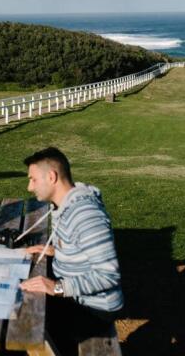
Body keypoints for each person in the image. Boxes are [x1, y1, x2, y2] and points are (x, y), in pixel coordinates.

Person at [19, 147, 123, 352]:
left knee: (27, 323)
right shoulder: (66, 204)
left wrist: (57, 288)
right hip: (78, 298)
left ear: (51, 176)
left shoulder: (85, 215)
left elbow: (109, 275)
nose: (29, 187)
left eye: (33, 179)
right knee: (25, 298)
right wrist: (59, 251)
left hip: (94, 308)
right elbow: (83, 246)